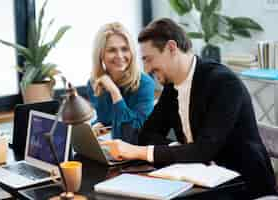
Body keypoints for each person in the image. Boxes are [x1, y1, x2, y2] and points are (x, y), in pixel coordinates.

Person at [101, 18, 277, 198]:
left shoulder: (224, 83)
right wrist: (183, 151)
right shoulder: (172, 86)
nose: (146, 69)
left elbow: (205, 149)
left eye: (149, 59)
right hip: (199, 183)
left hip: (245, 186)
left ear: (171, 48)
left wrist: (141, 152)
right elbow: (148, 134)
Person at [87, 22, 155, 143]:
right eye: (112, 50)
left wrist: (114, 92)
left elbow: (130, 134)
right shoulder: (94, 83)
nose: (120, 55)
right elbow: (106, 119)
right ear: (100, 54)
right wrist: (97, 124)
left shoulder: (145, 84)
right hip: (112, 148)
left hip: (136, 151)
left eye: (124, 49)